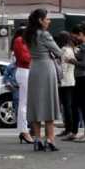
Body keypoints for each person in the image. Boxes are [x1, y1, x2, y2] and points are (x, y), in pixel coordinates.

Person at [24, 8, 63, 152]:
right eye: (47, 18)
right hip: (46, 69)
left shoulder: (29, 34)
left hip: (34, 68)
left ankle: (37, 139)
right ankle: (50, 139)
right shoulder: (45, 35)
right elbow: (58, 52)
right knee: (48, 103)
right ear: (40, 20)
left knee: (35, 104)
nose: (49, 21)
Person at [69, 22, 85, 143]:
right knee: (75, 104)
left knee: (83, 105)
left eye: (75, 36)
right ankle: (75, 132)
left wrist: (72, 61)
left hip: (84, 77)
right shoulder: (84, 44)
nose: (74, 39)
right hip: (81, 77)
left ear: (80, 34)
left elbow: (84, 64)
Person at [11, 26, 34, 144]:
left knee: (25, 102)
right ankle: (24, 130)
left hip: (26, 71)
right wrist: (34, 56)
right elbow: (24, 58)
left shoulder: (22, 41)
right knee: (24, 103)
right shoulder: (19, 40)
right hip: (24, 71)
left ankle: (25, 130)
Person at [56, 32, 76, 138]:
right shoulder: (70, 49)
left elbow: (63, 67)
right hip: (69, 80)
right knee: (66, 105)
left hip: (65, 82)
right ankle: (68, 128)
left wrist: (59, 79)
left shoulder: (64, 50)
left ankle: (69, 128)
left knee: (67, 106)